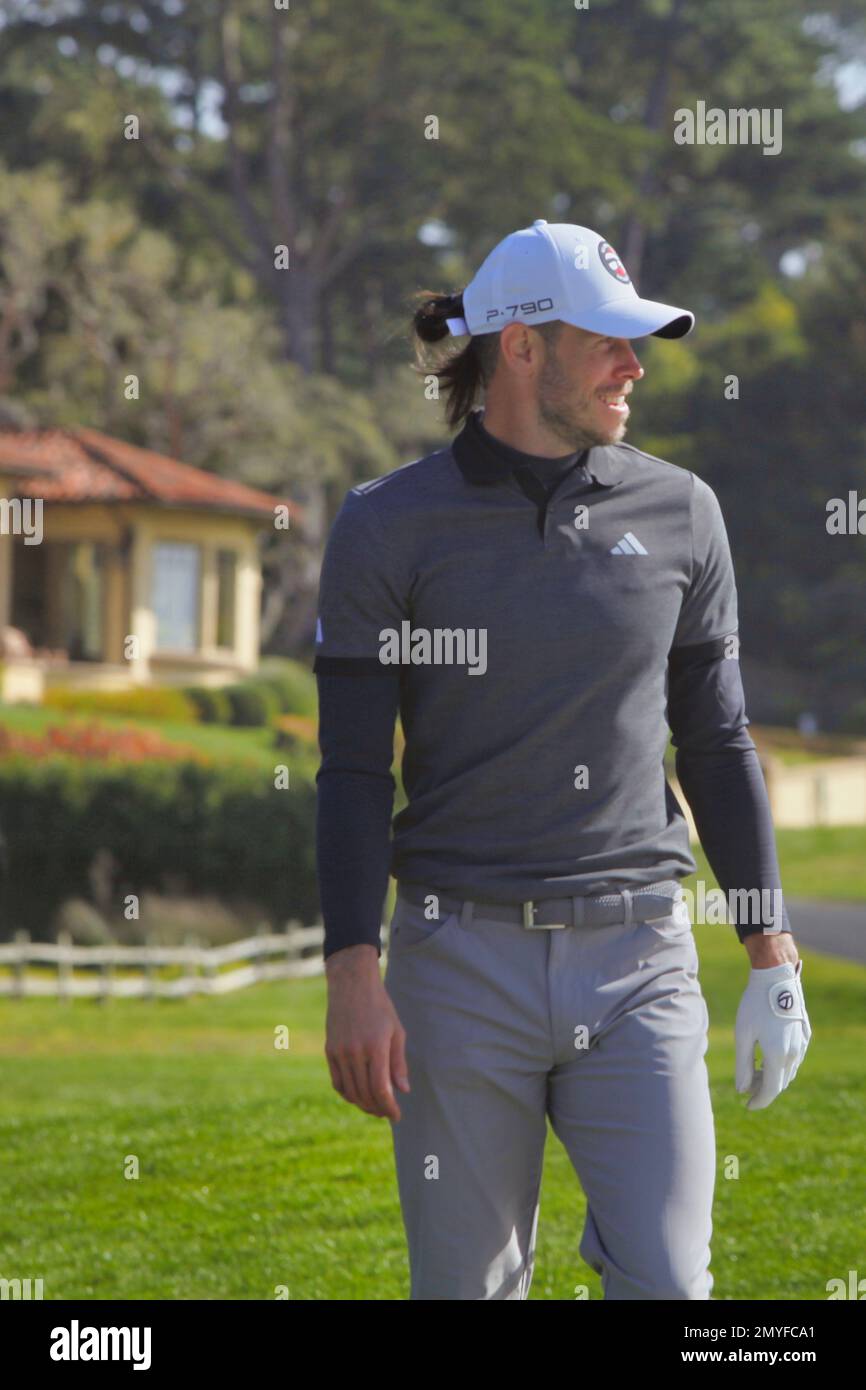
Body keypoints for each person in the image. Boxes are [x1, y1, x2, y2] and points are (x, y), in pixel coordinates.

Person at [313, 220, 811, 1301]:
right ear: (522, 347)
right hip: (454, 964)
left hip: (639, 957)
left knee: (673, 1286)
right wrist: (352, 967)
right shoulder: (383, 527)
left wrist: (770, 950)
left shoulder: (683, 513)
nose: (634, 364)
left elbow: (717, 742)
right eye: (609, 342)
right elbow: (351, 772)